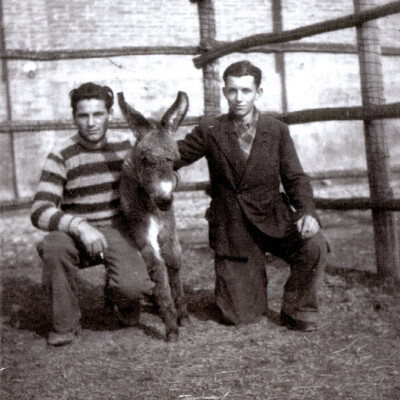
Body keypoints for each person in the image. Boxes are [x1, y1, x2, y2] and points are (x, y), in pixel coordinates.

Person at [176, 60, 327, 331]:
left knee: (313, 244)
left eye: (246, 91)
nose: (238, 98)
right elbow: (175, 156)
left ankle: (298, 310)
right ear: (224, 92)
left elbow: (295, 178)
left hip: (273, 219)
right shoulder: (210, 130)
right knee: (240, 316)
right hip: (234, 228)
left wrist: (307, 212)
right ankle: (247, 288)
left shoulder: (277, 130)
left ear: (258, 93)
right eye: (232, 91)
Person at [31, 82, 154, 346]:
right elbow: (39, 210)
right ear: (74, 117)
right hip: (77, 232)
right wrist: (79, 226)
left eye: (98, 114)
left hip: (117, 229)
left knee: (132, 289)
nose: (91, 122)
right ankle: (64, 323)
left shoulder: (125, 148)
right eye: (83, 115)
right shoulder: (61, 154)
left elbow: (154, 177)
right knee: (54, 246)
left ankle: (119, 294)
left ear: (109, 115)